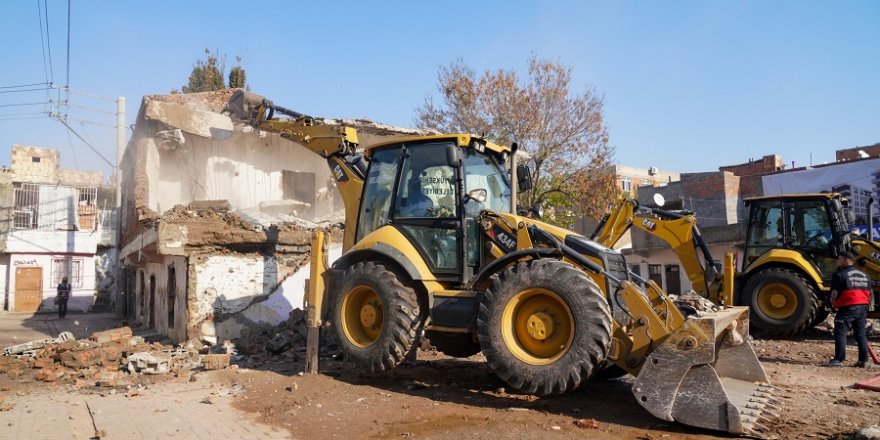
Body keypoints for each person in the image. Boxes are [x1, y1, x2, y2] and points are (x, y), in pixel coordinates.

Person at [824, 252, 871, 368]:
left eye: (839, 259)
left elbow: (833, 295)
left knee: (840, 331)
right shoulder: (865, 275)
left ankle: (838, 359)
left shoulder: (839, 275)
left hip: (848, 307)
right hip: (863, 307)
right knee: (860, 334)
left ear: (846, 260)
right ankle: (863, 361)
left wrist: (830, 305)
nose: (837, 261)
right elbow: (869, 293)